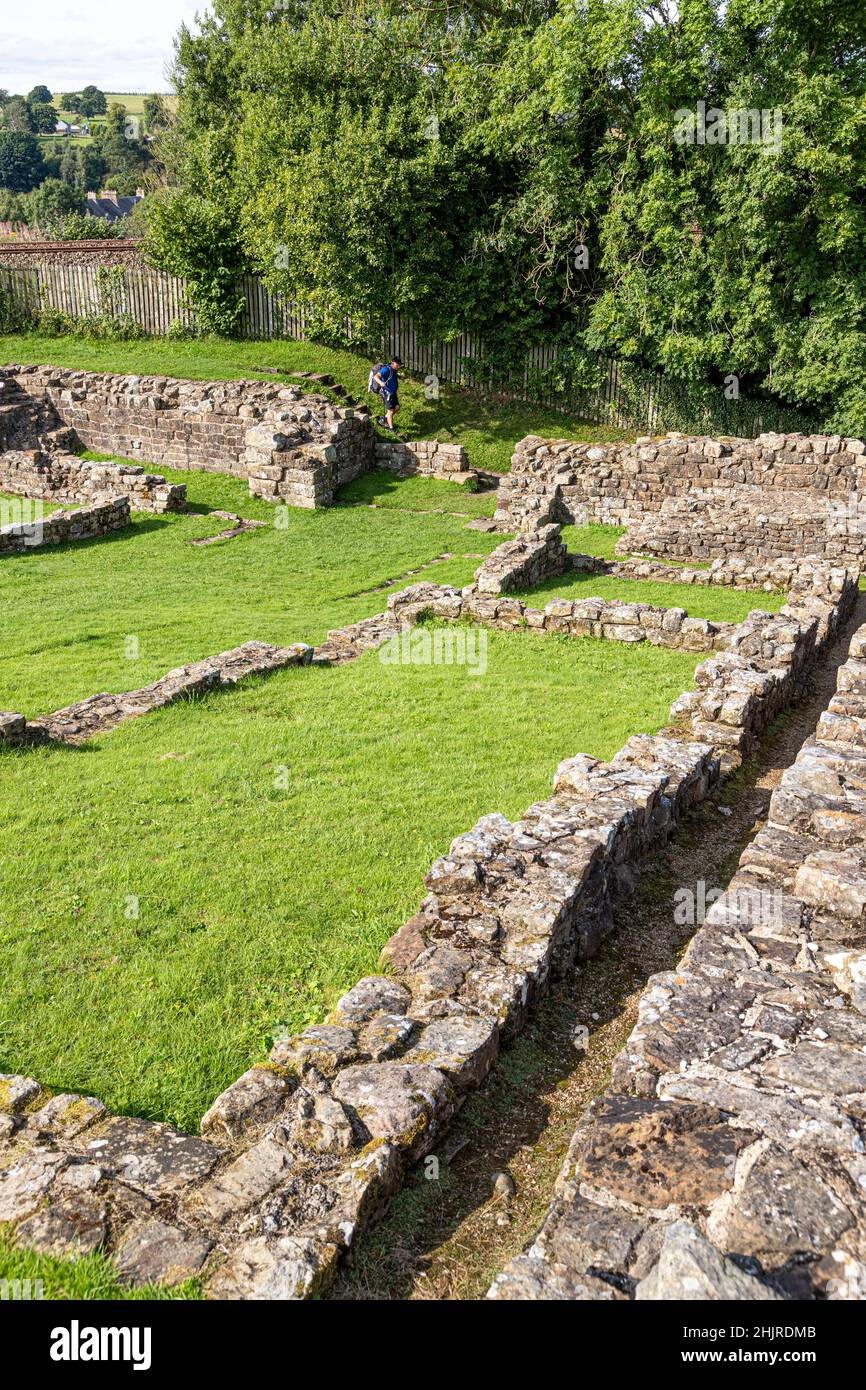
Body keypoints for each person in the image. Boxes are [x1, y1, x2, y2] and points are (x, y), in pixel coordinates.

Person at [373, 357, 401, 431]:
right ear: (393, 363)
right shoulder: (386, 369)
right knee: (390, 411)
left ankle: (384, 419)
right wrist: (380, 382)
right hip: (387, 392)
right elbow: (376, 376)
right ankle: (392, 429)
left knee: (397, 407)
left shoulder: (394, 370)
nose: (399, 366)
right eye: (397, 364)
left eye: (399, 364)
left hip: (393, 392)